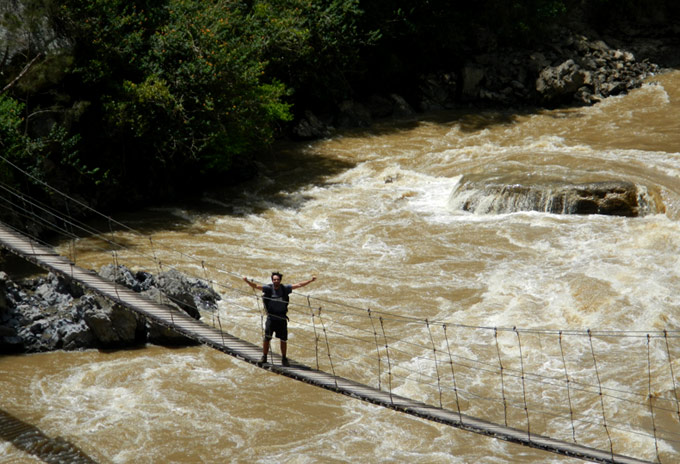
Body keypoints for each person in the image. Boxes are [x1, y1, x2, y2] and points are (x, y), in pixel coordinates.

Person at [243, 272, 316, 366]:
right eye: (274, 279)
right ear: (272, 280)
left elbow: (299, 285)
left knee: (283, 340)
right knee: (267, 338)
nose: (276, 281)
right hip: (271, 318)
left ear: (280, 280)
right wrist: (246, 281)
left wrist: (310, 281)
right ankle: (264, 357)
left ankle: (284, 359)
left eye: (277, 279)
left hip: (282, 318)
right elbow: (256, 286)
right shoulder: (268, 289)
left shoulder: (285, 289)